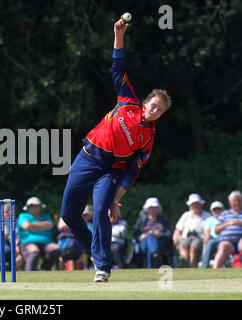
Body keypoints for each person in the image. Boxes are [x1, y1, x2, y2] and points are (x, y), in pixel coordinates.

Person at [60, 17, 172, 282]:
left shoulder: (148, 138)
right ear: (145, 103)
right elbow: (118, 68)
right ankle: (96, 253)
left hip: (108, 171)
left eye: (160, 110)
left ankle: (103, 266)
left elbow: (132, 171)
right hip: (86, 158)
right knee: (67, 214)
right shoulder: (128, 101)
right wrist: (118, 35)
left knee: (100, 211)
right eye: (153, 105)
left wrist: (115, 197)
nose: (155, 111)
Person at [17, 197, 60, 271]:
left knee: (55, 248)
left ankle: (45, 269)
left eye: (37, 205)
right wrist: (43, 226)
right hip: (27, 243)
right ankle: (29, 273)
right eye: (32, 205)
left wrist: (32, 226)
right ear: (28, 207)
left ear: (40, 207)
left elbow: (50, 225)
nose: (35, 207)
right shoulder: (23, 216)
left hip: (45, 244)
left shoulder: (46, 216)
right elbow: (26, 226)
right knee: (33, 251)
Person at [173, 193, 211, 267]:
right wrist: (177, 239)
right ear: (190, 206)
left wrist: (207, 238)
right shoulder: (186, 215)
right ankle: (184, 264)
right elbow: (178, 230)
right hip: (186, 237)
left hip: (199, 238)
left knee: (193, 248)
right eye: (193, 204)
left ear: (201, 204)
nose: (195, 206)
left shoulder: (207, 215)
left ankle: (190, 267)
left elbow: (209, 231)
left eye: (197, 203)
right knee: (183, 246)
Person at [133, 197, 172, 268]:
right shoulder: (141, 220)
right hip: (143, 244)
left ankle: (151, 264)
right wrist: (142, 236)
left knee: (150, 248)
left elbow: (169, 234)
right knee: (149, 237)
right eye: (151, 207)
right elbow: (135, 235)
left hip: (160, 243)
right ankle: (156, 254)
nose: (153, 209)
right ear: (147, 209)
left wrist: (159, 234)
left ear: (158, 208)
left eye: (155, 207)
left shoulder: (164, 220)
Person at [213, 191, 242, 268]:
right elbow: (216, 230)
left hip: (241, 240)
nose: (237, 203)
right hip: (227, 241)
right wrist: (228, 224)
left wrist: (240, 223)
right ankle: (214, 271)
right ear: (230, 203)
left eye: (239, 200)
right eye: (234, 201)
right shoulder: (224, 214)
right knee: (223, 246)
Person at [200, 201, 225, 268]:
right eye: (215, 209)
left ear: (223, 209)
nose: (217, 211)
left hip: (225, 239)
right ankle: (204, 266)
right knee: (209, 243)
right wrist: (207, 237)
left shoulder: (226, 218)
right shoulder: (209, 220)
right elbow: (207, 231)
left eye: (218, 209)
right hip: (213, 239)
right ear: (211, 211)